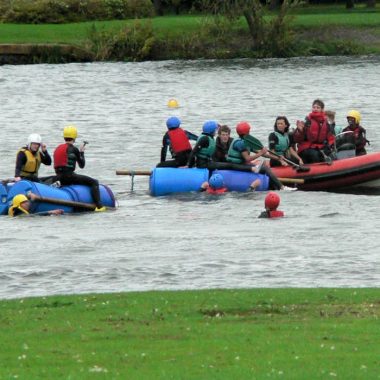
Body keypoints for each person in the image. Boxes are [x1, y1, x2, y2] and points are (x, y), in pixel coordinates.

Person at [53, 125, 106, 212]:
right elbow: (82, 165)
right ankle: (99, 206)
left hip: (58, 177)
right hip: (69, 177)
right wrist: (81, 153)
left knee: (72, 176)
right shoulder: (74, 149)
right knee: (94, 182)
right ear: (74, 137)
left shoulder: (58, 148)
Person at [227, 122, 292, 191]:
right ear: (246, 132)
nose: (249, 132)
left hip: (242, 164)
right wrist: (261, 152)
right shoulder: (240, 143)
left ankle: (273, 186)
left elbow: (263, 154)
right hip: (236, 165)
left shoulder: (246, 141)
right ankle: (282, 187)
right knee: (265, 168)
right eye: (249, 130)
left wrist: (278, 158)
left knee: (263, 165)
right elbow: (248, 158)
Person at [293, 99, 336, 164]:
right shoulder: (308, 121)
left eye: (318, 108)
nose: (315, 109)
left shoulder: (325, 122)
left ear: (322, 109)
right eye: (314, 107)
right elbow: (298, 139)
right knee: (315, 155)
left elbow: (330, 137)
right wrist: (299, 131)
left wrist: (331, 145)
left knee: (331, 154)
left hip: (319, 146)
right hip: (306, 147)